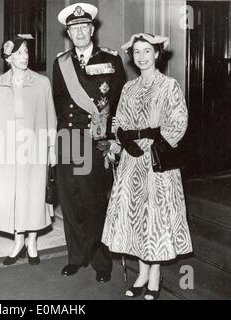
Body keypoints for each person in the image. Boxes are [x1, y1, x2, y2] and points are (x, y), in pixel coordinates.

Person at [102, 33, 193, 300]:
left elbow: (178, 122)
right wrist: (119, 145)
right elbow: (118, 121)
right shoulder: (129, 88)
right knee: (136, 220)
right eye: (137, 52)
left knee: (155, 220)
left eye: (146, 51)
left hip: (157, 161)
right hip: (132, 163)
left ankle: (154, 276)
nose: (141, 57)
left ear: (156, 54)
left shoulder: (169, 86)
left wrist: (154, 144)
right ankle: (141, 274)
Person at [53, 3, 126, 282]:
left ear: (92, 30)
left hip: (95, 140)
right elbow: (59, 101)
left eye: (84, 27)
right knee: (69, 198)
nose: (80, 32)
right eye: (74, 28)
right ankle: (76, 257)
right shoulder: (60, 62)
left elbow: (119, 101)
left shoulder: (110, 59)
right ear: (68, 33)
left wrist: (112, 139)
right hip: (68, 137)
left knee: (94, 201)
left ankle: (100, 261)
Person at [0, 36, 57, 266]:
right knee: (11, 194)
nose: (24, 56)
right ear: (8, 58)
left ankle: (32, 243)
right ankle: (18, 242)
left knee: (33, 194)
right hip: (6, 144)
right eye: (18, 53)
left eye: (26, 52)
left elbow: (50, 117)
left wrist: (51, 148)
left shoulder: (42, 82)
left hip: (33, 144)